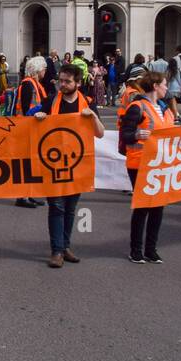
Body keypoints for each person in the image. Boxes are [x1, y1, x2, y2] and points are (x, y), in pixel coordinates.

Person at [32, 64, 105, 267]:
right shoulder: (50, 102)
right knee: (56, 206)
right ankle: (56, 251)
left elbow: (100, 133)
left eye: (67, 81)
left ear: (78, 83)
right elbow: (29, 125)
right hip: (53, 163)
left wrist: (92, 118)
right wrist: (38, 118)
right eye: (60, 80)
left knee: (71, 208)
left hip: (77, 164)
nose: (62, 85)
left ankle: (65, 247)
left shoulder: (87, 103)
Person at [119, 72, 174, 264]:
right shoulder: (137, 107)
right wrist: (135, 134)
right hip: (139, 163)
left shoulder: (165, 110)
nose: (167, 88)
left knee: (158, 207)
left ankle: (151, 250)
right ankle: (136, 250)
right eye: (165, 85)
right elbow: (125, 135)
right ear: (156, 86)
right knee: (143, 207)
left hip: (160, 164)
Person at [14, 56, 49, 209]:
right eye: (44, 68)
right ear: (38, 69)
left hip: (31, 127)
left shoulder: (34, 84)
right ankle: (22, 196)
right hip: (26, 128)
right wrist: (41, 109)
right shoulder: (28, 85)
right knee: (26, 164)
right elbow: (27, 108)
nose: (45, 71)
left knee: (32, 163)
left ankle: (29, 194)